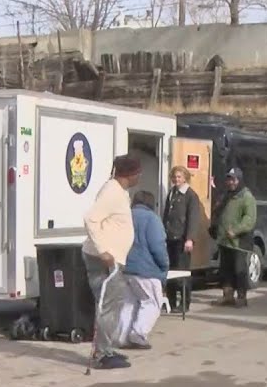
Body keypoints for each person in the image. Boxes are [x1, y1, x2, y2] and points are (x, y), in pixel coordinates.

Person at [82, 155, 143, 371]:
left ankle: (106, 348)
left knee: (114, 303)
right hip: (105, 260)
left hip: (114, 258)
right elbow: (91, 218)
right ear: (130, 174)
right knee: (108, 305)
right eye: (138, 172)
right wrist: (103, 251)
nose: (140, 176)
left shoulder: (119, 191)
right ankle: (101, 355)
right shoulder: (112, 192)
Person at [118, 190, 170, 350]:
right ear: (151, 204)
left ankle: (122, 337)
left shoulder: (125, 217)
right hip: (147, 270)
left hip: (125, 269)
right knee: (152, 302)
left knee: (129, 303)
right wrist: (164, 265)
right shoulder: (152, 219)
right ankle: (138, 334)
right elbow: (157, 247)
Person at [212, 167, 257, 308]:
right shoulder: (227, 195)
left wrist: (236, 230)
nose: (231, 182)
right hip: (225, 240)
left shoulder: (246, 197)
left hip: (239, 241)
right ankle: (228, 296)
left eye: (234, 179)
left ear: (240, 180)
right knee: (226, 270)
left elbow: (249, 219)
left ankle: (242, 297)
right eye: (229, 179)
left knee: (239, 270)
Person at [163, 165, 203, 312]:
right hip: (170, 237)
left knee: (183, 272)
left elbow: (193, 218)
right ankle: (171, 302)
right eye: (174, 177)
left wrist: (190, 239)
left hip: (182, 239)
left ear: (185, 177)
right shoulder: (172, 193)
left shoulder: (191, 195)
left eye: (179, 177)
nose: (176, 179)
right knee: (170, 271)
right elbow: (166, 214)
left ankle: (185, 303)